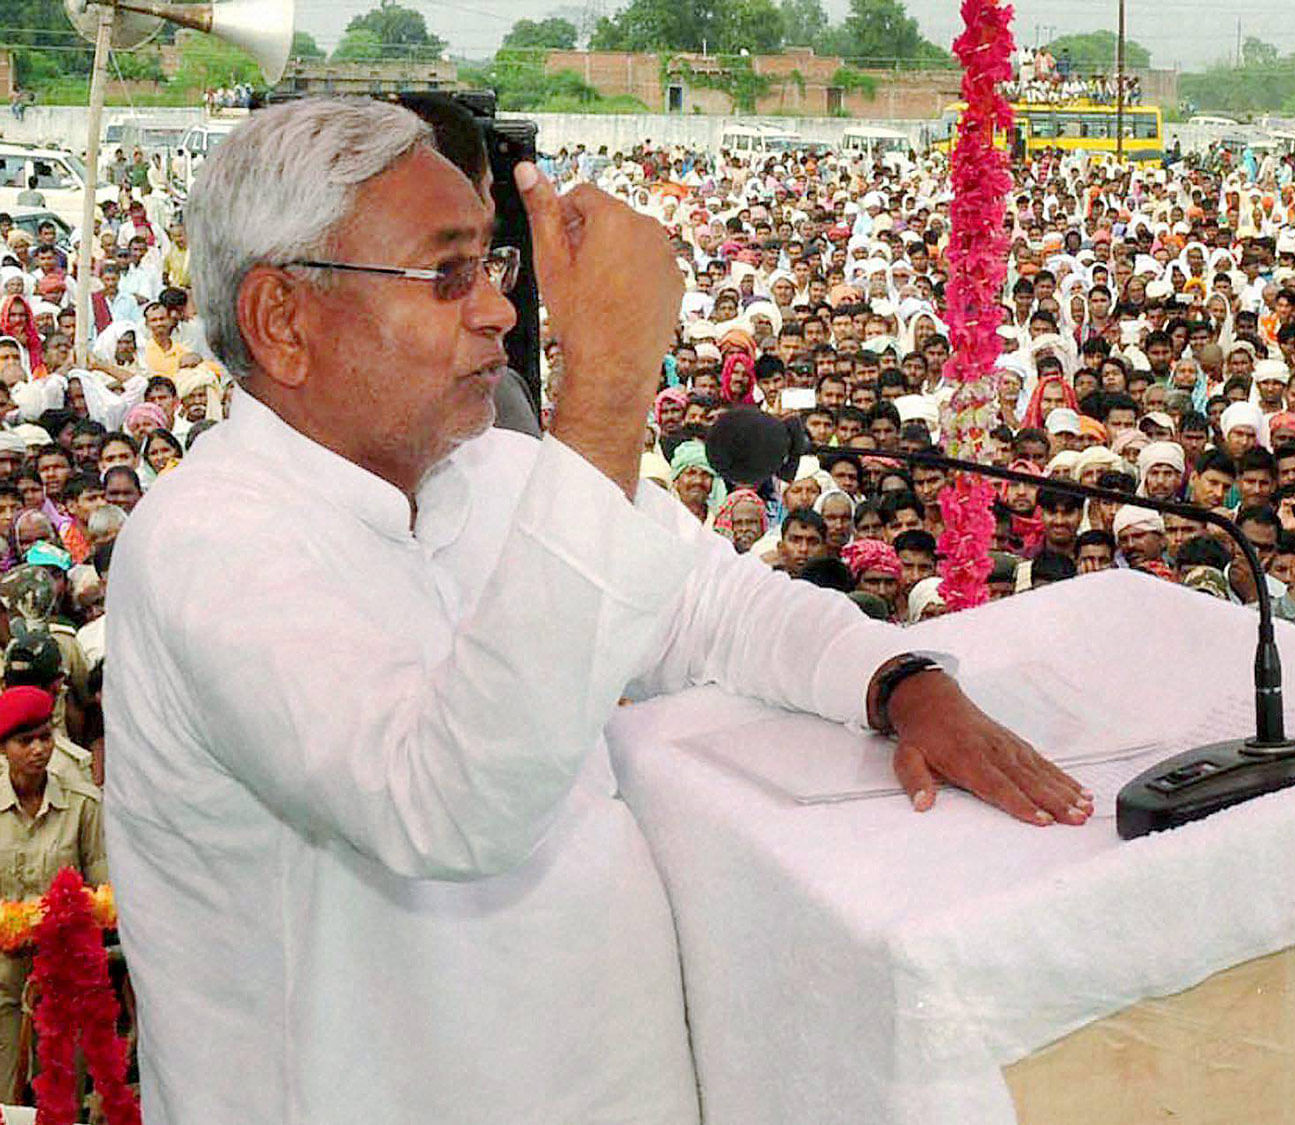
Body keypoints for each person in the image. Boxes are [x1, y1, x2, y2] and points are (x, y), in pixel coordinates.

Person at [103, 99, 1090, 1124]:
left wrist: (896, 682)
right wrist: (611, 380)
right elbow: (442, 802)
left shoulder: (488, 473)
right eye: (445, 275)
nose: (493, 312)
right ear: (282, 319)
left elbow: (713, 602)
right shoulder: (208, 543)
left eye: (493, 268)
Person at [0, 685, 107, 1095]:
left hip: (65, 979)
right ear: (4, 747)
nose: (38, 750)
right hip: (4, 980)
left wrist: (67, 921)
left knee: (61, 1099)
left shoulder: (82, 805)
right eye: (25, 741)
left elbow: (104, 896)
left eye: (45, 737)